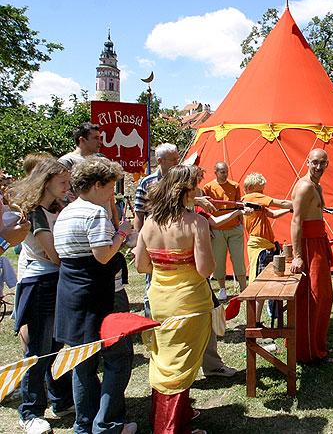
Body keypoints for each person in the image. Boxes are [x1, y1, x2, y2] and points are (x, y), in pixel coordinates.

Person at [52, 157, 136, 434]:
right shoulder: (94, 212)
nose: (113, 194)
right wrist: (123, 231)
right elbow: (103, 255)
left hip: (71, 294)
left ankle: (85, 423)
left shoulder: (65, 212)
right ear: (98, 184)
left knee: (82, 363)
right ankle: (108, 424)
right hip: (101, 296)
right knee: (118, 358)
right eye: (111, 188)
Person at [134, 165, 213, 434]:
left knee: (165, 360)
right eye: (196, 186)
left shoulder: (149, 222)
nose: (199, 191)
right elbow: (206, 269)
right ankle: (167, 428)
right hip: (190, 301)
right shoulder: (196, 223)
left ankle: (179, 414)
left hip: (159, 299)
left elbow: (141, 266)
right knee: (179, 365)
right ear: (186, 190)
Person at [9, 159, 74, 434]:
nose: (68, 187)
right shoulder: (36, 212)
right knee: (38, 350)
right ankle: (31, 413)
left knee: (57, 347)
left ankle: (61, 401)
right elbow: (56, 253)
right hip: (40, 284)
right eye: (63, 182)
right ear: (47, 182)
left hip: (57, 281)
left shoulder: (59, 206)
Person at [290, 149, 333, 364]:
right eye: (315, 162)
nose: (319, 167)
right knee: (313, 299)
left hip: (318, 242)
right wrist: (298, 256)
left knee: (323, 297)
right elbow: (296, 221)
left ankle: (317, 346)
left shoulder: (317, 185)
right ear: (307, 162)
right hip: (308, 246)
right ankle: (308, 353)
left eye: (323, 163)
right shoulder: (305, 186)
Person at [241, 172, 292, 327]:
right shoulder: (251, 198)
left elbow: (274, 214)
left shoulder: (257, 203)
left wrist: (290, 210)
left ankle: (257, 320)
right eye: (260, 191)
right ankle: (254, 322)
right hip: (260, 248)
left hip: (265, 246)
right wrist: (298, 203)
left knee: (264, 284)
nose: (262, 194)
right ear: (250, 189)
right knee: (260, 285)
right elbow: (281, 203)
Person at [203, 162, 245, 299]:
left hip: (234, 228)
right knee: (219, 259)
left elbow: (239, 205)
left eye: (226, 171)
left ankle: (243, 289)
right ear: (215, 172)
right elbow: (205, 210)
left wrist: (241, 224)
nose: (225, 174)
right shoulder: (208, 187)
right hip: (217, 229)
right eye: (221, 172)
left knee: (238, 259)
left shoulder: (235, 186)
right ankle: (222, 288)